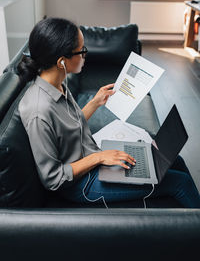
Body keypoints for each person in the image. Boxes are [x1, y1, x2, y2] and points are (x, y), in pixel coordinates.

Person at [18, 17, 200, 208]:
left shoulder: (55, 83)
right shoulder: (38, 111)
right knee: (181, 183)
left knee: (174, 161)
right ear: (62, 62)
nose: (85, 54)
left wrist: (95, 103)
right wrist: (99, 157)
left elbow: (70, 126)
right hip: (82, 185)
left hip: (93, 158)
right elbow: (53, 179)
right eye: (81, 50)